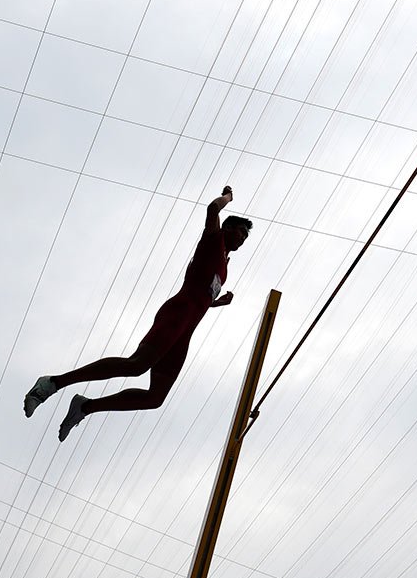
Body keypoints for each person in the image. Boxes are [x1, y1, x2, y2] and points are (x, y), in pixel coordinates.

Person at [24, 186, 253, 442]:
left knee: (155, 398)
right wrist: (228, 198)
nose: (243, 239)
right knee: (137, 366)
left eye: (246, 236)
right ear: (227, 229)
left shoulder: (225, 264)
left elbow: (201, 294)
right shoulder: (214, 239)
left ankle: (84, 407)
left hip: (186, 329)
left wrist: (216, 303)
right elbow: (212, 209)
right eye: (240, 232)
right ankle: (52, 383)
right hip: (176, 314)